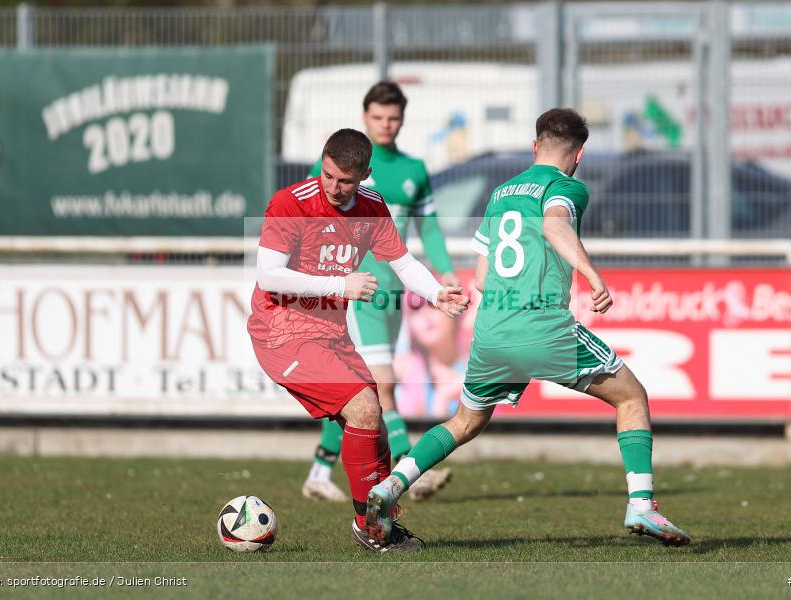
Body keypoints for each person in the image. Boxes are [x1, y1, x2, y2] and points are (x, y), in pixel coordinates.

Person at [364, 108, 691, 547]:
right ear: (579, 155)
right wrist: (593, 276)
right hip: (542, 326)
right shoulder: (567, 186)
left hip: (492, 331)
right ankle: (642, 505)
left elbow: (480, 276)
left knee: (464, 421)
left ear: (535, 146)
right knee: (631, 396)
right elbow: (555, 222)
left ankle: (391, 486)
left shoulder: (500, 193)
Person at [248, 128, 468, 552]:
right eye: (328, 175)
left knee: (377, 427)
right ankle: (371, 528)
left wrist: (436, 293)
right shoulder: (290, 203)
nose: (333, 187)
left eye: (345, 180)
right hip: (282, 332)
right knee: (365, 408)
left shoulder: (372, 207)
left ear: (365, 175)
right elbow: (267, 275)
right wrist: (339, 285)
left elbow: (402, 263)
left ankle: (376, 520)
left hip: (330, 334)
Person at [302, 81, 458, 503]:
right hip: (360, 291)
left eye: (393, 118)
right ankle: (411, 468)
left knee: (358, 386)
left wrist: (443, 273)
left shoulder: (414, 171)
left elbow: (428, 228)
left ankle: (319, 470)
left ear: (402, 120)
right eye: (378, 117)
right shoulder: (345, 168)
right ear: (364, 117)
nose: (386, 125)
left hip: (393, 292)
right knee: (380, 386)